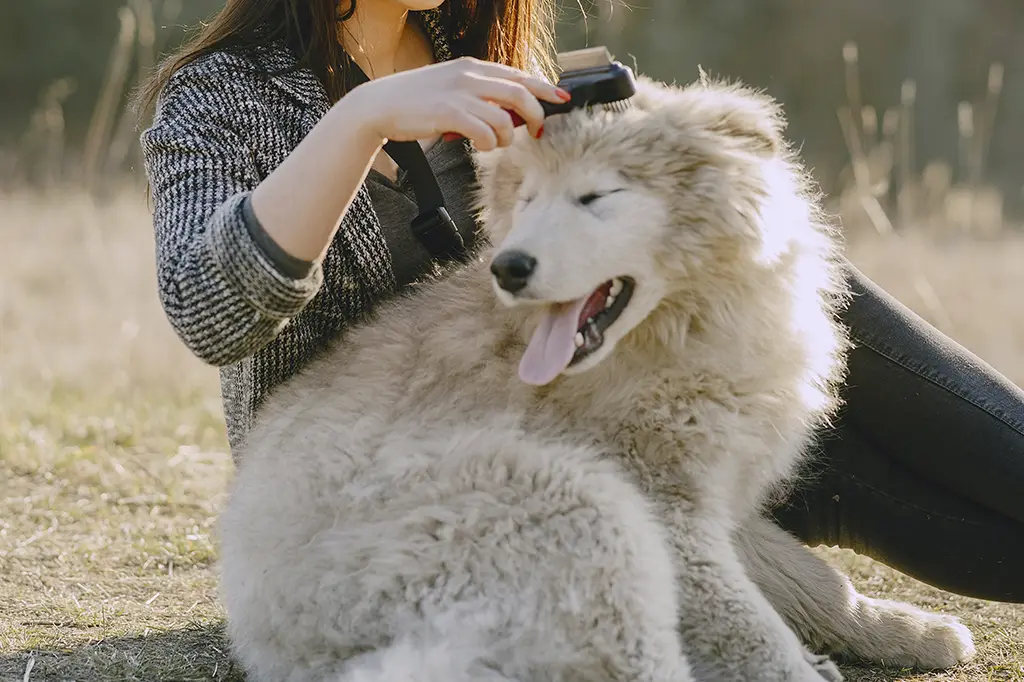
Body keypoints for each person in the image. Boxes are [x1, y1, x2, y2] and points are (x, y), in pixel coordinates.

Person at [137, 0, 1024, 604]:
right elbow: (208, 312)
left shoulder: (473, 43)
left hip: (609, 404)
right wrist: (361, 117)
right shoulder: (221, 93)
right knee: (843, 469)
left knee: (813, 298)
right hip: (411, 475)